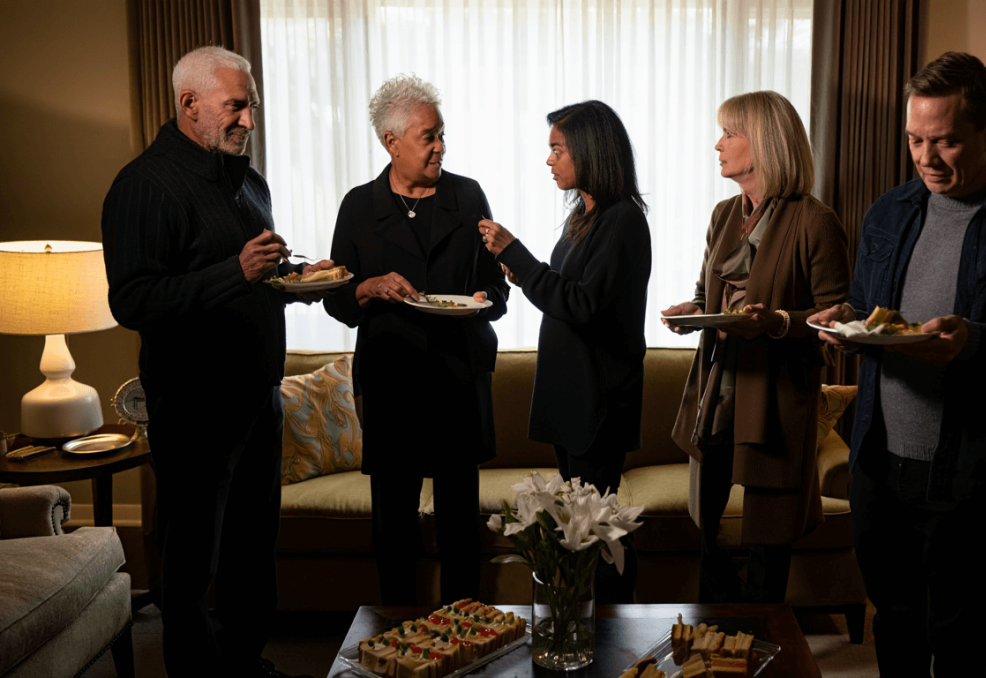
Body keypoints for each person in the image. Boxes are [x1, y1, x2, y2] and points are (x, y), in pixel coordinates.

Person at [809, 52, 986, 677]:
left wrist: (977, 341)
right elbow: (872, 311)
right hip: (879, 462)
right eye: (914, 139)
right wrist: (845, 324)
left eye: (945, 141)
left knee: (959, 635)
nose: (926, 157)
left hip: (974, 473)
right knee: (895, 621)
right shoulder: (888, 212)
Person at [102, 46, 329, 678]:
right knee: (193, 561)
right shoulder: (142, 185)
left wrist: (293, 275)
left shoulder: (247, 180)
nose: (248, 120)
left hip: (258, 397)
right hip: (195, 406)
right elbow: (135, 300)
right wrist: (236, 271)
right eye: (236, 106)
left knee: (252, 555)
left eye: (250, 105)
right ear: (189, 104)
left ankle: (244, 664)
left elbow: (252, 276)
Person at [322, 74, 508, 606]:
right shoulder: (358, 206)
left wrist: (482, 298)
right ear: (392, 141)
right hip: (392, 382)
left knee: (458, 523)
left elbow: (496, 287)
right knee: (393, 523)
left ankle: (465, 630)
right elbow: (337, 301)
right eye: (429, 137)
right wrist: (369, 286)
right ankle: (396, 629)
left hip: (457, 377)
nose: (441, 147)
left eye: (441, 134)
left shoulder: (467, 194)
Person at [661, 91, 851, 604]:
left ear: (763, 142)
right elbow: (709, 294)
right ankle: (713, 634)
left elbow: (839, 319)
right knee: (708, 529)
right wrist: (691, 311)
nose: (717, 145)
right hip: (718, 390)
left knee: (769, 533)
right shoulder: (724, 213)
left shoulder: (815, 221)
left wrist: (778, 323)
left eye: (729, 133)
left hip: (776, 397)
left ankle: (766, 640)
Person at [478, 100, 651, 603]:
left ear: (590, 151)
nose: (549, 160)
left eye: (557, 149)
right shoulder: (585, 215)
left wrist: (517, 255)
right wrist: (519, 267)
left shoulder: (622, 221)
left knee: (602, 531)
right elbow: (561, 289)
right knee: (581, 528)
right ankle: (585, 630)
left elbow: (580, 304)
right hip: (571, 399)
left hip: (597, 402)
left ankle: (615, 632)